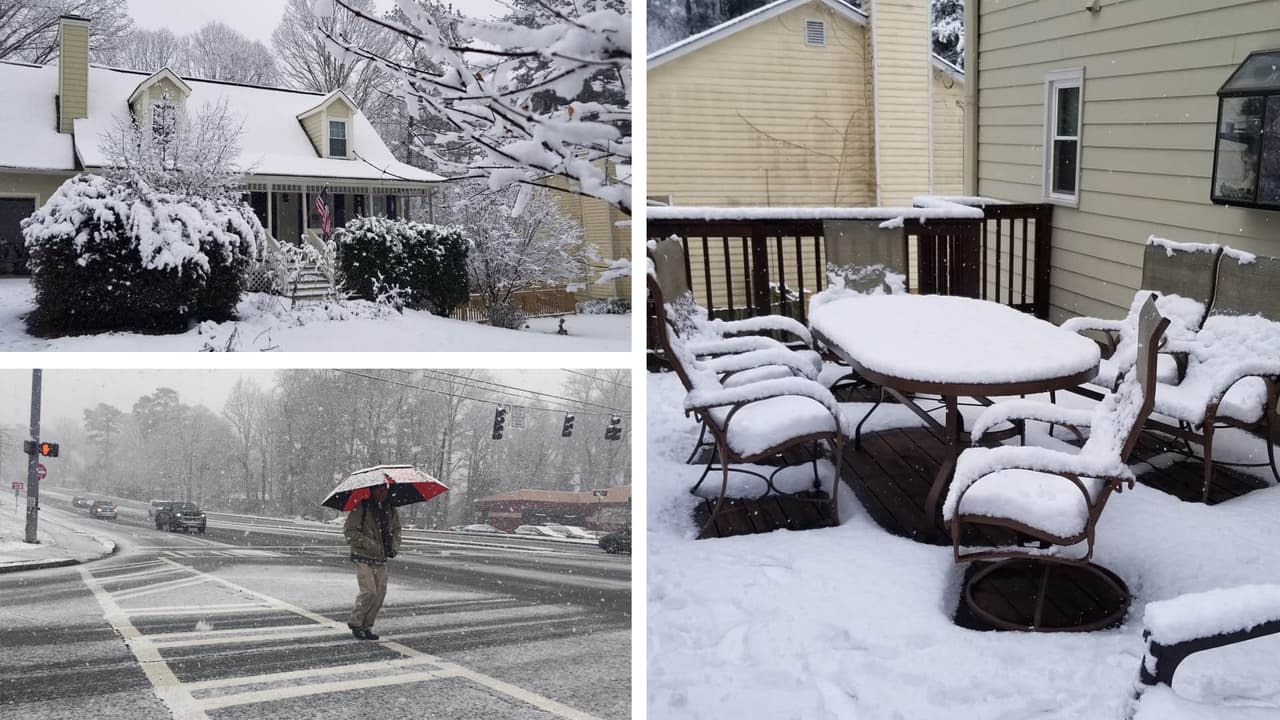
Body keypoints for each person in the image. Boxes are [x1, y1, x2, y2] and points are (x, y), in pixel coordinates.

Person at [344, 484, 401, 640]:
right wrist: (369, 544)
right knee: (369, 591)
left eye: (385, 490)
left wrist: (394, 546)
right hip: (363, 556)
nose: (383, 493)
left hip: (381, 558)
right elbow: (349, 532)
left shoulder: (390, 509)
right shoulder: (362, 507)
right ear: (372, 491)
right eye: (379, 490)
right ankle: (356, 622)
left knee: (380, 594)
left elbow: (397, 530)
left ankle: (366, 626)